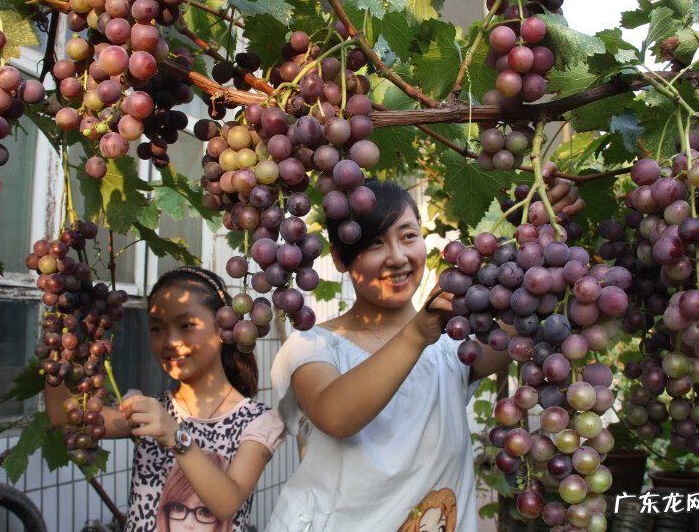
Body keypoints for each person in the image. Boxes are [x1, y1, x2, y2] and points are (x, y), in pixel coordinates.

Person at [267, 177, 581, 531]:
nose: (398, 257)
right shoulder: (313, 345)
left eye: (408, 236)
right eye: (374, 243)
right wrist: (417, 333)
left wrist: (542, 229)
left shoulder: (451, 351)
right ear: (340, 258)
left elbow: (528, 321)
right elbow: (336, 416)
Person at [45, 267, 285, 532]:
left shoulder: (257, 421)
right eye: (157, 328)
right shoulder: (151, 411)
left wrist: (175, 436)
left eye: (186, 325)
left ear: (222, 326)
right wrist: (63, 327)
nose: (170, 341)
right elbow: (61, 413)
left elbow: (227, 503)